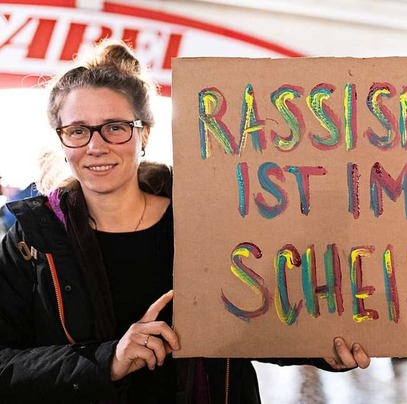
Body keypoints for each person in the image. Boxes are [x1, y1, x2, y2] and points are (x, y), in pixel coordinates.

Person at [0, 40, 370, 403]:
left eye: (115, 127)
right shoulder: (31, 241)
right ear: (62, 141)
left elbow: (259, 324)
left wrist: (326, 348)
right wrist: (108, 361)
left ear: (144, 133)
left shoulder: (209, 224)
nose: (96, 146)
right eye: (78, 131)